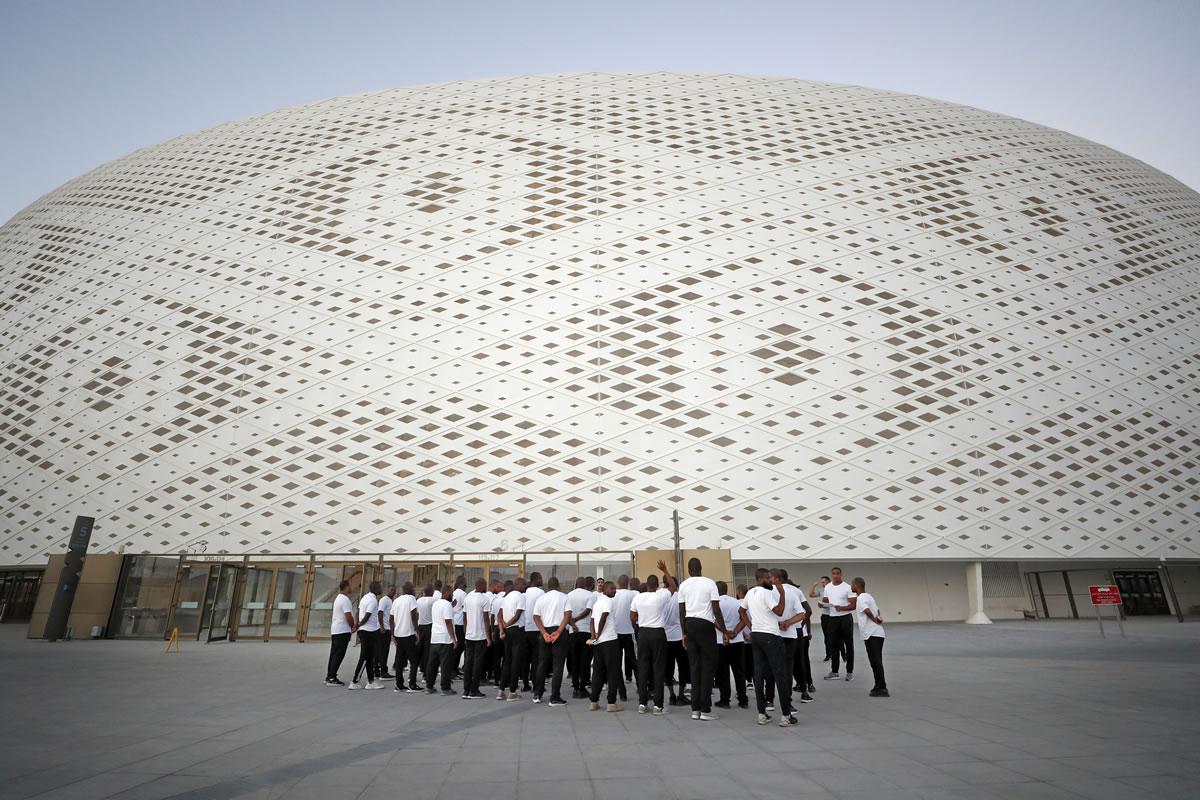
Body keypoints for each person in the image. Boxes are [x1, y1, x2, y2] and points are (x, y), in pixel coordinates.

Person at [740, 568, 796, 726]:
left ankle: (761, 714)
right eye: (769, 578)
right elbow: (779, 611)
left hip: (756, 636)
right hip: (770, 635)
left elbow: (741, 610)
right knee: (780, 674)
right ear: (761, 578)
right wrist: (782, 594)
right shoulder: (766, 593)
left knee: (759, 674)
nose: (771, 581)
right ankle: (786, 716)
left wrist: (751, 626)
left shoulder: (750, 593)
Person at [677, 557, 728, 721]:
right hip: (705, 626)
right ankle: (705, 709)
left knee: (694, 667)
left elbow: (681, 612)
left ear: (688, 569)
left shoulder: (683, 585)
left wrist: (683, 633)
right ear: (701, 567)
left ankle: (695, 709)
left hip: (690, 625)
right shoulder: (710, 583)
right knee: (708, 667)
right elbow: (716, 609)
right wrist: (725, 630)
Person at [630, 561, 675, 714]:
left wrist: (641, 620)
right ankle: (658, 705)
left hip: (643, 633)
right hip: (658, 633)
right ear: (657, 585)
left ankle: (642, 703)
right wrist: (665, 569)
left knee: (643, 667)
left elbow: (632, 616)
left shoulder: (638, 597)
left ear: (646, 584)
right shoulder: (661, 596)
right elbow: (673, 587)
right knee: (658, 668)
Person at [764, 569, 805, 711]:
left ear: (775, 578)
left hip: (772, 634)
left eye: (769, 577)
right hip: (790, 636)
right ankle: (787, 702)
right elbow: (802, 614)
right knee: (787, 671)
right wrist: (788, 622)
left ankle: (769, 700)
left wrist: (778, 623)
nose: (767, 579)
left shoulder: (767, 592)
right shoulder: (792, 593)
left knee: (770, 668)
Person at [532, 575, 572, 706]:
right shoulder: (565, 597)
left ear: (548, 586)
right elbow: (567, 615)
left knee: (542, 663)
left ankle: (537, 693)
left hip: (545, 631)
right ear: (558, 585)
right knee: (558, 665)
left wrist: (544, 632)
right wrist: (559, 631)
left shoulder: (541, 598)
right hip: (559, 631)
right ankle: (554, 697)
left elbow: (536, 616)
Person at [587, 579, 623, 712]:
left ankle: (594, 702)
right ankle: (611, 703)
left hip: (599, 643)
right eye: (612, 589)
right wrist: (598, 633)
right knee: (613, 671)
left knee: (598, 671)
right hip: (609, 640)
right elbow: (604, 616)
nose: (615, 591)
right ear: (606, 589)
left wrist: (593, 635)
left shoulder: (598, 602)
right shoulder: (608, 601)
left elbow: (592, 620)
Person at [852, 577, 888, 697]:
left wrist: (874, 620)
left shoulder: (861, 598)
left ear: (857, 585)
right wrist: (877, 618)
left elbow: (867, 611)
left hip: (872, 633)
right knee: (874, 661)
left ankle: (882, 688)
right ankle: (877, 685)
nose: (851, 586)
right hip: (875, 633)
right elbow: (877, 610)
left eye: (852, 584)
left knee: (876, 661)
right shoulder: (869, 596)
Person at [714, 580, 748, 710]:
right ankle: (743, 699)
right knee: (739, 671)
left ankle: (725, 700)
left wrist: (725, 632)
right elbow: (744, 620)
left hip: (720, 641)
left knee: (723, 672)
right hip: (738, 641)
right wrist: (735, 631)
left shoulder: (715, 604)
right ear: (727, 589)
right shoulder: (737, 602)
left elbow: (713, 620)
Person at [822, 567, 857, 681]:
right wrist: (822, 604)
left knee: (849, 645)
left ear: (841, 574)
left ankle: (849, 672)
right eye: (833, 574)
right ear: (831, 575)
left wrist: (841, 608)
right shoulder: (827, 587)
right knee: (833, 645)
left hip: (845, 619)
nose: (835, 575)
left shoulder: (847, 587)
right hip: (833, 619)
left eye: (837, 573)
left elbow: (854, 605)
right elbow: (826, 600)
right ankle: (835, 671)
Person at [349, 581, 385, 690]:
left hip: (365, 631)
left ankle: (371, 681)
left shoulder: (365, 597)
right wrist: (358, 624)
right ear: (375, 588)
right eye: (380, 587)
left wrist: (356, 624)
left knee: (370, 657)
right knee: (365, 657)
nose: (381, 589)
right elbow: (367, 616)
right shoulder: (373, 601)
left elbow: (358, 612)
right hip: (369, 632)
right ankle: (355, 681)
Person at [460, 578, 492, 699]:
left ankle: (466, 690)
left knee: (468, 662)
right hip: (480, 636)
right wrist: (488, 637)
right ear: (482, 586)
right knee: (478, 664)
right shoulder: (484, 599)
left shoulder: (467, 598)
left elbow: (464, 617)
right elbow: (486, 619)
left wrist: (466, 631)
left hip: (469, 635)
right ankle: (474, 690)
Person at [497, 577, 527, 701]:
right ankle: (512, 692)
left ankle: (501, 690)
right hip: (517, 630)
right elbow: (517, 615)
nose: (525, 587)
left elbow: (499, 615)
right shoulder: (520, 596)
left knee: (507, 660)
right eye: (524, 584)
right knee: (515, 661)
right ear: (518, 585)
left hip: (507, 632)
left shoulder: (506, 597)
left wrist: (502, 629)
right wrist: (507, 625)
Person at [425, 584, 458, 695]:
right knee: (445, 665)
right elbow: (448, 623)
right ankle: (445, 688)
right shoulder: (447, 605)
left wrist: (451, 606)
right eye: (452, 594)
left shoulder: (436, 604)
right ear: (447, 593)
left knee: (432, 664)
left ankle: (429, 686)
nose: (452, 596)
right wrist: (454, 639)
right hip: (445, 639)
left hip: (434, 638)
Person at [566, 577, 594, 699]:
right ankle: (583, 687)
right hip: (586, 631)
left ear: (575, 584)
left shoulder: (568, 595)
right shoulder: (590, 595)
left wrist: (572, 623)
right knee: (586, 660)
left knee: (575, 659)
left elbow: (566, 612)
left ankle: (575, 687)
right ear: (585, 585)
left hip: (573, 632)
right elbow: (588, 611)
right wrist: (577, 620)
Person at [391, 582, 421, 692]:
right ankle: (412, 684)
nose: (414, 590)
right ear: (410, 589)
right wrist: (417, 631)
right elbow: (414, 616)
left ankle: (399, 684)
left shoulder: (397, 600)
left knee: (399, 660)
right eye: (413, 588)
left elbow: (391, 618)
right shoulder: (411, 599)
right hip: (408, 634)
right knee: (414, 660)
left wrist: (393, 634)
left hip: (399, 634)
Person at [325, 579, 355, 686]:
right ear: (346, 587)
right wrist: (353, 626)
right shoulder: (345, 600)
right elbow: (348, 616)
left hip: (336, 630)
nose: (351, 588)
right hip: (342, 631)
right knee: (338, 655)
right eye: (350, 586)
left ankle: (329, 676)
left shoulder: (338, 598)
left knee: (334, 654)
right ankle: (332, 677)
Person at [612, 575, 637, 699]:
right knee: (633, 661)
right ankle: (641, 687)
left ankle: (622, 693)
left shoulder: (613, 594)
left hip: (615, 633)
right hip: (628, 632)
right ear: (627, 583)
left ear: (617, 583)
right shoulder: (632, 595)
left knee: (616, 663)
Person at [663, 582, 689, 706]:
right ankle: (681, 695)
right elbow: (684, 614)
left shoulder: (660, 597)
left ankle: (671, 695)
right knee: (683, 666)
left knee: (668, 667)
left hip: (665, 637)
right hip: (679, 636)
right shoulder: (680, 596)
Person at [522, 572, 545, 692]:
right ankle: (536, 685)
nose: (542, 580)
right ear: (536, 579)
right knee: (537, 658)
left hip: (525, 629)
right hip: (536, 629)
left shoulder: (524, 593)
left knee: (525, 659)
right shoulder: (540, 593)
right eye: (541, 578)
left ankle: (525, 684)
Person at [415, 584, 436, 686]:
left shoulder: (418, 601)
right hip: (429, 626)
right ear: (431, 591)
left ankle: (418, 671)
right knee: (428, 651)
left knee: (419, 650)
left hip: (420, 626)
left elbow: (416, 614)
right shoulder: (433, 600)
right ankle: (426, 675)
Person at [795, 599, 815, 702]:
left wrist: (808, 631)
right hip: (801, 636)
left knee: (802, 661)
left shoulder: (799, 605)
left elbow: (807, 618)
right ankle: (803, 683)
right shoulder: (798, 604)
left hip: (801, 636)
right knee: (801, 661)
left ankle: (808, 683)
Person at [486, 579, 506, 685]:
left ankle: (496, 680)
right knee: (506, 656)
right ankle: (504, 679)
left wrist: (493, 631)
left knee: (496, 656)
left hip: (496, 627)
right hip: (505, 628)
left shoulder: (496, 600)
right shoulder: (507, 598)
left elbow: (493, 615)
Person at [376, 585, 395, 679]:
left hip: (388, 629)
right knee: (383, 652)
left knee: (384, 651)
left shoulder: (391, 601)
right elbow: (380, 613)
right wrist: (382, 626)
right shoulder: (384, 600)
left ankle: (379, 671)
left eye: (394, 590)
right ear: (387, 590)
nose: (393, 591)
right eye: (391, 589)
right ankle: (383, 672)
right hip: (383, 630)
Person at [451, 575, 467, 677]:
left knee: (457, 646)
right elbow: (466, 608)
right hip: (460, 623)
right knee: (460, 647)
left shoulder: (453, 593)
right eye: (465, 582)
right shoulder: (463, 594)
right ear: (461, 583)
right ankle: (453, 670)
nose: (466, 585)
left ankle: (454, 668)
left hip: (454, 622)